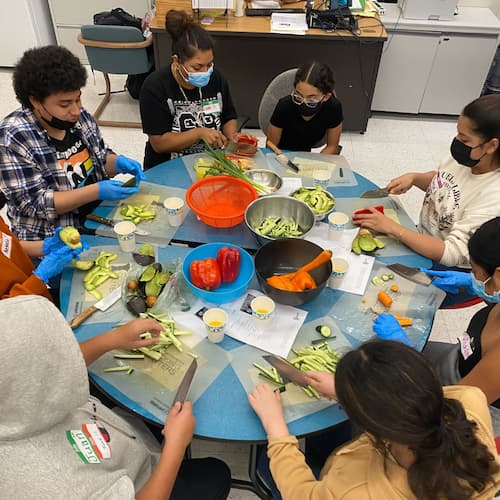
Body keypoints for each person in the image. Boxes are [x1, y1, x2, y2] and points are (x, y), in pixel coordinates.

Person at [0, 294, 231, 499]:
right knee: (217, 473)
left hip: (114, 439)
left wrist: (111, 339)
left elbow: (54, 365)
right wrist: (176, 445)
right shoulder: (46, 485)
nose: (66, 353)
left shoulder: (13, 398)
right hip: (139, 483)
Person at [249, 340, 500, 499]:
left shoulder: (356, 491)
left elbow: (302, 494)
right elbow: (413, 401)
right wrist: (347, 390)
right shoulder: (469, 399)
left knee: (265, 466)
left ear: (365, 420)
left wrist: (276, 428)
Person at [0, 46, 145, 258]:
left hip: (95, 217)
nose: (76, 110)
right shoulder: (13, 137)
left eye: (78, 99)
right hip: (52, 236)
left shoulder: (78, 117)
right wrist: (96, 191)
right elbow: (36, 203)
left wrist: (117, 162)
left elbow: (100, 158)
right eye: (65, 104)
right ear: (35, 101)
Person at [352, 94, 500, 269]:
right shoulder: (469, 158)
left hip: (445, 263)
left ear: (491, 146)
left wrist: (393, 229)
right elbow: (443, 181)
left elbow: (453, 253)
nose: (457, 142)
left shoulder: (493, 196)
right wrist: (415, 178)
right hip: (420, 235)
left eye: (464, 139)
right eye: (457, 133)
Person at [374, 217, 500, 409]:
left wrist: (405, 351)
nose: (473, 277)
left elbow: (448, 410)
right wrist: (471, 283)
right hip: (457, 360)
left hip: (455, 407)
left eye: (474, 271)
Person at [140, 10, 238, 170]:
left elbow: (228, 116)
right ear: (176, 60)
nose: (205, 72)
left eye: (209, 64)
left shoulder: (216, 78)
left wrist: (232, 137)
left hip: (211, 163)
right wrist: (198, 133)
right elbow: (159, 143)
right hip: (169, 167)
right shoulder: (155, 86)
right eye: (197, 67)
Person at [0, 191, 85, 301]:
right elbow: (8, 312)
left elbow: (8, 244)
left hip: (39, 297)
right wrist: (40, 277)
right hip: (25, 310)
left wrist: (46, 246)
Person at [266, 61, 343, 155]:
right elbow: (270, 146)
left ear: (326, 96)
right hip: (282, 153)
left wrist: (319, 164)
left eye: (312, 98)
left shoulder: (333, 108)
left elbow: (332, 146)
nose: (304, 102)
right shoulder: (284, 106)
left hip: (307, 154)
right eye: (299, 95)